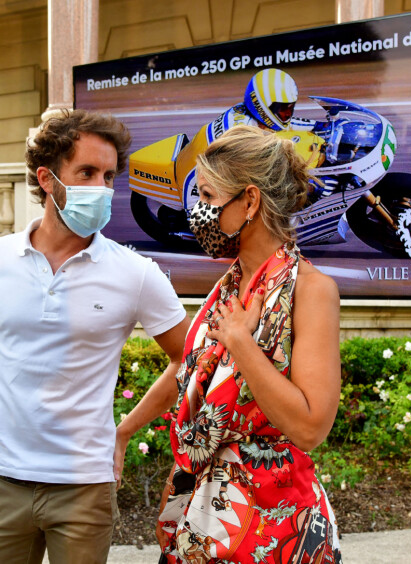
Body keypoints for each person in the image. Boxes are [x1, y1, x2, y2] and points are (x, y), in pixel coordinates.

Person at [0, 109, 190, 564]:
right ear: (48, 179)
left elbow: (188, 360)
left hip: (84, 487)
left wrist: (123, 432)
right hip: (3, 483)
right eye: (87, 172)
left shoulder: (135, 273)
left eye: (109, 175)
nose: (101, 187)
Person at [117, 124, 342, 563]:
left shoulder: (311, 290)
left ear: (250, 201)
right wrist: (125, 430)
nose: (197, 212)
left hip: (274, 525)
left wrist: (242, 343)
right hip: (203, 515)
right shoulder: (229, 286)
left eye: (206, 196)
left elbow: (310, 428)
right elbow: (190, 368)